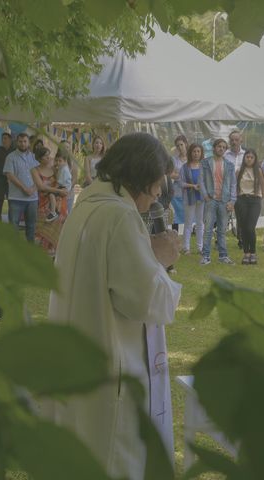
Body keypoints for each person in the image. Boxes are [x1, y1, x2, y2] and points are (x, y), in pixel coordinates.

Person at [47, 133, 181, 480]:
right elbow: (146, 299)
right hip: (111, 362)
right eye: (153, 191)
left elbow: (109, 271)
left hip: (80, 349)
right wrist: (162, 259)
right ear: (138, 179)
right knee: (113, 454)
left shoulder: (87, 206)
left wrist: (146, 253)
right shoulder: (120, 216)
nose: (153, 202)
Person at [199, 138, 237, 265]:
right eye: (219, 146)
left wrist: (232, 200)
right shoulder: (205, 163)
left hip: (225, 201)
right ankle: (205, 256)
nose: (221, 149)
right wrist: (205, 196)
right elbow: (201, 180)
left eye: (224, 147)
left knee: (222, 230)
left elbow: (233, 184)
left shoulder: (230, 165)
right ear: (214, 148)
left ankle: (223, 256)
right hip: (211, 199)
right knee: (208, 229)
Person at [31, 147, 68, 254]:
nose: (49, 157)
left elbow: (65, 178)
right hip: (43, 205)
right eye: (46, 156)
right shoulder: (34, 170)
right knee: (43, 231)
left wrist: (64, 189)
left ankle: (56, 257)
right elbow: (41, 187)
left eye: (49, 155)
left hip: (59, 204)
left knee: (59, 230)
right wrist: (57, 190)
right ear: (39, 158)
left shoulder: (55, 168)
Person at [3, 133, 39, 242]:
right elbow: (10, 175)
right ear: (17, 142)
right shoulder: (11, 157)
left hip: (32, 199)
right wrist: (24, 188)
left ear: (28, 143)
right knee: (13, 227)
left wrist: (33, 188)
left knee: (31, 227)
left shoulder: (34, 157)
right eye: (20, 141)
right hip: (16, 198)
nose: (23, 144)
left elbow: (40, 174)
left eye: (25, 141)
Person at [235, 149, 264, 265]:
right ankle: (246, 253)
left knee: (250, 227)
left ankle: (253, 252)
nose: (249, 159)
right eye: (247, 157)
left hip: (255, 200)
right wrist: (234, 200)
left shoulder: (258, 170)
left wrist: (261, 198)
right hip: (241, 199)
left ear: (255, 159)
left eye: (251, 157)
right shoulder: (239, 170)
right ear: (244, 158)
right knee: (243, 228)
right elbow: (235, 185)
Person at [180, 143, 204, 255]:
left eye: (198, 151)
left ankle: (200, 247)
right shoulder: (184, 167)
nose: (196, 154)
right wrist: (192, 186)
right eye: (194, 151)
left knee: (200, 222)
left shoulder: (204, 166)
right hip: (189, 198)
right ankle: (186, 247)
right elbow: (181, 183)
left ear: (201, 153)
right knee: (188, 223)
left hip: (201, 197)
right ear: (190, 153)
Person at [224, 130, 246, 247]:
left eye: (236, 140)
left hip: (242, 189)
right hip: (227, 189)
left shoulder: (246, 154)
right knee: (224, 215)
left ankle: (241, 240)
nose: (234, 142)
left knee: (241, 215)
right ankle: (220, 240)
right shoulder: (225, 155)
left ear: (241, 140)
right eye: (232, 140)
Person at [46, 149, 72, 220]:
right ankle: (55, 211)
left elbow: (58, 183)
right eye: (56, 160)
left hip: (64, 188)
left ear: (65, 161)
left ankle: (53, 212)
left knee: (51, 194)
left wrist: (53, 189)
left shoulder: (63, 170)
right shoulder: (63, 168)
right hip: (64, 187)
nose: (58, 162)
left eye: (60, 161)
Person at [170, 135, 187, 232]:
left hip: (190, 191)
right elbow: (171, 174)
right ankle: (174, 233)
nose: (180, 147)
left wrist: (178, 173)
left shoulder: (192, 158)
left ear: (186, 144)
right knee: (177, 214)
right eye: (178, 146)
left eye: (181, 144)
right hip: (177, 192)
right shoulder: (174, 159)